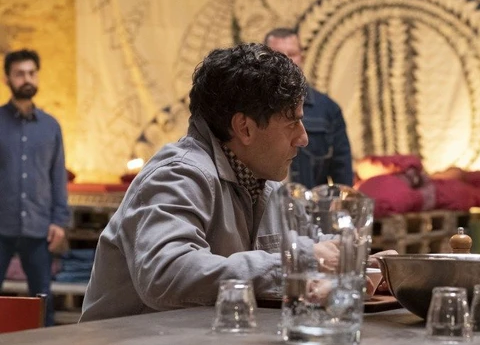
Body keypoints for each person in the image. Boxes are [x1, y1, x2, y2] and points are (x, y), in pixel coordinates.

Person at [80, 43, 345, 321]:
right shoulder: (177, 175)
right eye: (292, 123)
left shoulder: (267, 183)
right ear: (244, 128)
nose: (303, 138)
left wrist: (358, 259)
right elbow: (166, 274)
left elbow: (313, 245)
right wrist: (296, 263)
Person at [0, 49, 70, 327]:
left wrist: (59, 221)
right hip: (1, 227)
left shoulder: (51, 127)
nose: (26, 79)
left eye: (31, 73)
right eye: (19, 74)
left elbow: (57, 177)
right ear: (7, 78)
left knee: (43, 302)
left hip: (39, 229)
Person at [264, 28, 354, 188]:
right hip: (261, 200)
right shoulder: (250, 106)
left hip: (309, 201)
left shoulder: (328, 109)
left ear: (302, 58)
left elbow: (342, 172)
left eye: (292, 54)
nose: (286, 60)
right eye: (277, 55)